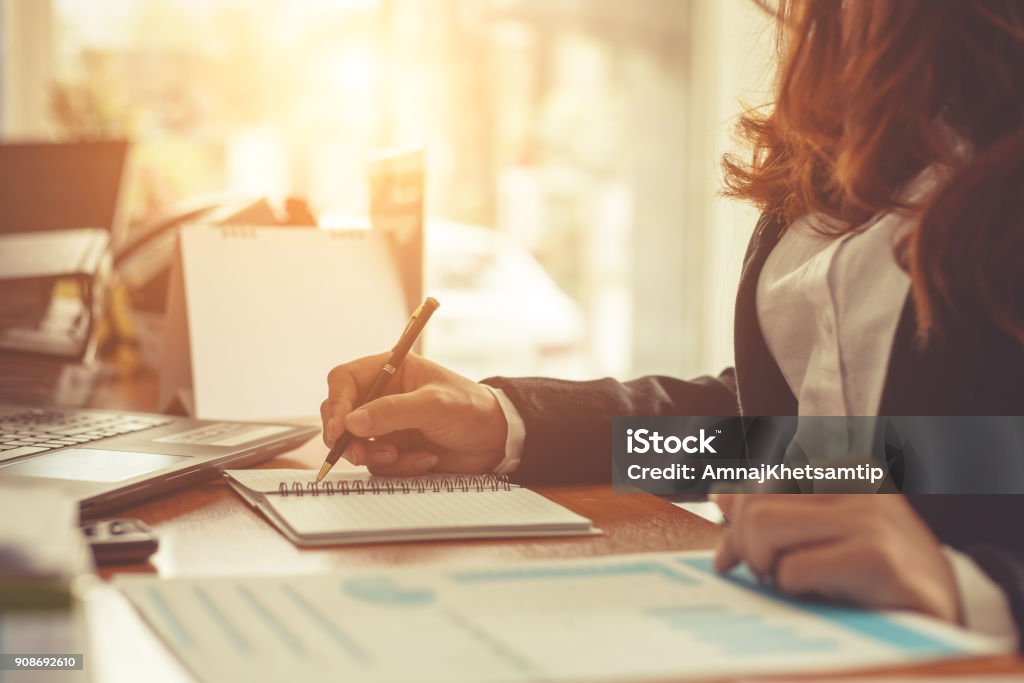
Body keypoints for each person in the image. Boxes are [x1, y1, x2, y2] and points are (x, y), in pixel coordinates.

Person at [321, 0, 1024, 646]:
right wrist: (507, 423)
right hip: (793, 632)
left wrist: (973, 588)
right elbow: (778, 440)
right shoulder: (846, 129)